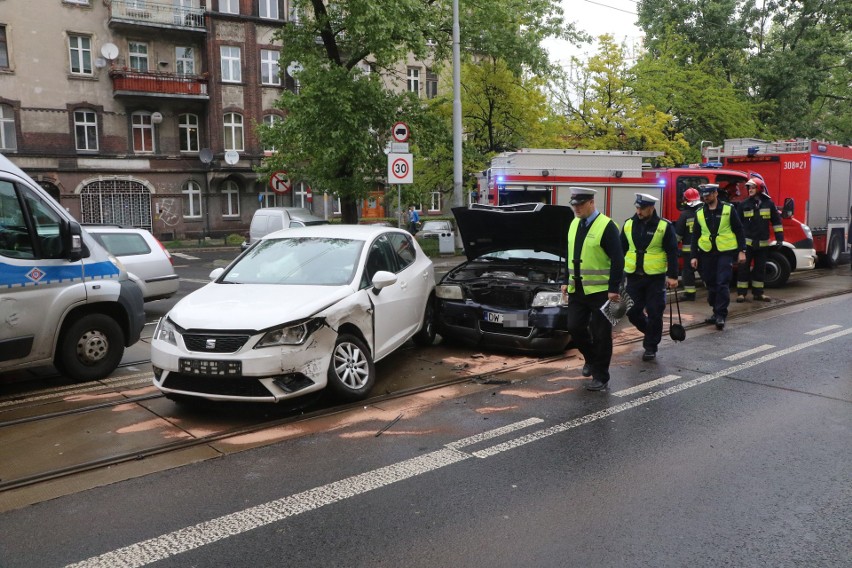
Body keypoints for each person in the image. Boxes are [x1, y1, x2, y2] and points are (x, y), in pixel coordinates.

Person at [561, 187, 624, 391]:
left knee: (601, 334)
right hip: (577, 289)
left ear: (591, 202)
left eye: (580, 205)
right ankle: (591, 358)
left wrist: (614, 288)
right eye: (574, 205)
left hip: (602, 291)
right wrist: (564, 280)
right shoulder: (573, 224)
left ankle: (601, 376)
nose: (576, 209)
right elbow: (568, 254)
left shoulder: (606, 226)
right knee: (574, 327)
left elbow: (618, 259)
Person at [620, 193, 680, 361]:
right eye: (637, 208)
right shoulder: (628, 225)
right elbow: (621, 250)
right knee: (632, 312)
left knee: (655, 312)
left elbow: (672, 252)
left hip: (655, 278)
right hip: (633, 277)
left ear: (651, 208)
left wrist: (673, 276)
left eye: (642, 208)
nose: (638, 211)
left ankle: (650, 347)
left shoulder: (664, 226)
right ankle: (651, 332)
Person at [690, 184, 746, 330]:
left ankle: (721, 315)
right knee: (710, 283)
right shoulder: (700, 212)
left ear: (715, 193)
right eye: (704, 194)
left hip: (725, 252)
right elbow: (695, 235)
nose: (705, 197)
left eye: (708, 194)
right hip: (706, 253)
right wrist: (694, 256)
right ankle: (715, 311)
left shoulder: (728, 209)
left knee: (722, 283)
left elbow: (739, 230)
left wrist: (742, 250)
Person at [736, 177, 784, 302]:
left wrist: (780, 238)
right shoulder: (743, 204)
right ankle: (741, 293)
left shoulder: (769, 204)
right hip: (747, 244)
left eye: (752, 187)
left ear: (759, 188)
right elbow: (737, 225)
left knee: (760, 269)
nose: (750, 190)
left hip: (762, 244)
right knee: (743, 268)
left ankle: (758, 293)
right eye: (749, 188)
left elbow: (777, 222)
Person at [674, 187, 702, 300]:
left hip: (689, 251)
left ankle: (690, 294)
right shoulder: (704, 212)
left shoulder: (684, 215)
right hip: (704, 249)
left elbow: (678, 234)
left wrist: (673, 246)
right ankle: (714, 292)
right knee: (706, 271)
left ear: (685, 200)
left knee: (688, 272)